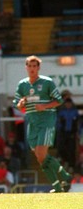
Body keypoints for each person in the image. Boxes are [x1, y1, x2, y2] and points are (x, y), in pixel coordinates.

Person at [13, 55, 72, 193]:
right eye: (30, 66)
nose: (32, 69)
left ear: (38, 68)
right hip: (32, 122)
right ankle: (58, 185)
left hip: (46, 121)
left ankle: (65, 176)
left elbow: (59, 100)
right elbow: (17, 103)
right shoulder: (22, 84)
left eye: (35, 66)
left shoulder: (47, 82)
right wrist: (20, 104)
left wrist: (44, 106)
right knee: (40, 157)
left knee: (41, 154)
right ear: (26, 67)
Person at [57, 98, 79, 170]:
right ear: (65, 104)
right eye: (67, 103)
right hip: (63, 133)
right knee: (62, 148)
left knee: (71, 149)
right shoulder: (62, 112)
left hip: (72, 133)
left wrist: (76, 132)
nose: (68, 105)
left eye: (69, 103)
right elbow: (58, 122)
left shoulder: (74, 112)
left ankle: (71, 165)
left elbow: (77, 122)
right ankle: (65, 161)